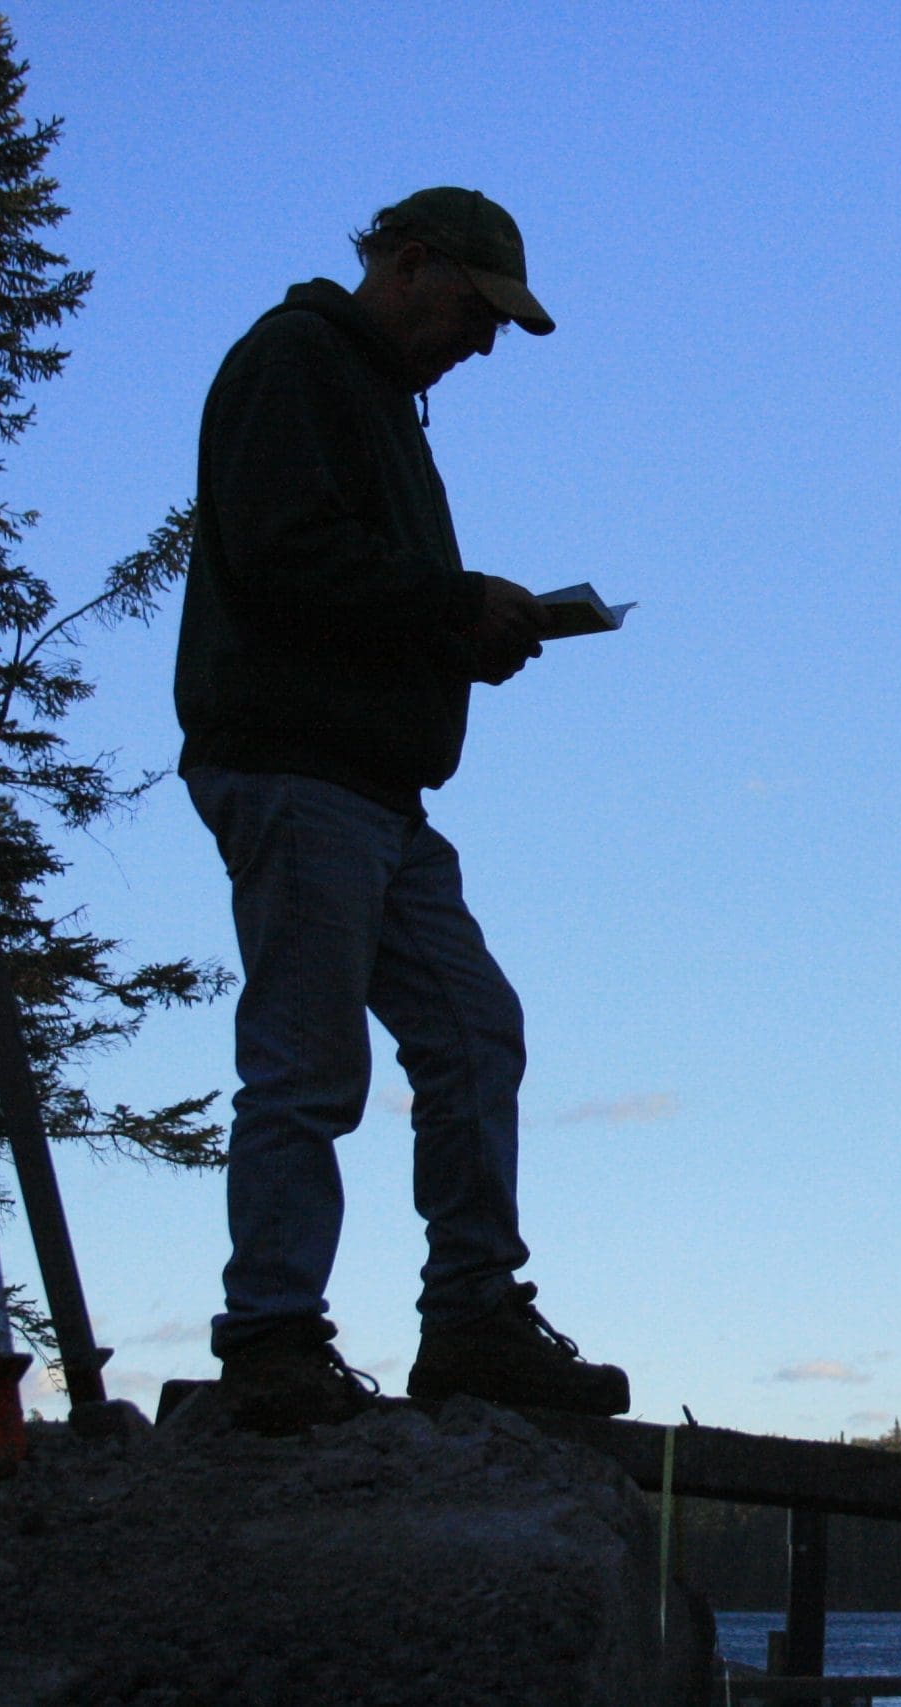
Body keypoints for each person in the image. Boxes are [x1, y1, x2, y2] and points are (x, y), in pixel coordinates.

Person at [174, 187, 630, 1431]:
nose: (483, 343)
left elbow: (353, 588)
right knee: (309, 1063)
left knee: (475, 1032)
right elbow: (281, 555)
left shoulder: (375, 398)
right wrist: (449, 606)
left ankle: (473, 1322)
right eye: (479, 313)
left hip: (377, 789)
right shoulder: (295, 361)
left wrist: (466, 635)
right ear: (411, 265)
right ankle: (270, 1340)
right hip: (297, 771)